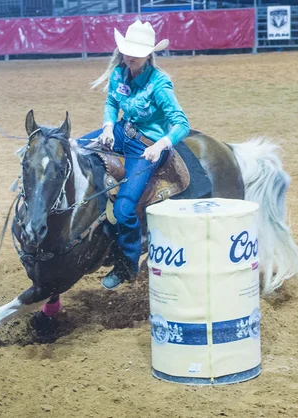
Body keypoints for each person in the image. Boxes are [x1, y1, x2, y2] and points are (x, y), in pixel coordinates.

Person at [80, 20, 190, 290]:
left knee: (125, 208)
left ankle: (127, 263)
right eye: (128, 50)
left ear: (148, 55)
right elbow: (111, 103)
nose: (130, 56)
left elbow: (181, 124)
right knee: (74, 149)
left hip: (145, 145)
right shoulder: (120, 73)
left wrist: (160, 144)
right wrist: (108, 127)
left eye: (136, 53)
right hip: (121, 130)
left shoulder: (160, 84)